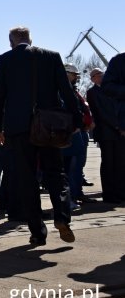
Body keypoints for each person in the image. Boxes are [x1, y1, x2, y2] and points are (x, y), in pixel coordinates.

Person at [0, 26, 83, 245]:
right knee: (56, 174)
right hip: (49, 126)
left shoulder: (6, 60)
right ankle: (61, 216)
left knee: (27, 179)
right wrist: (76, 121)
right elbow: (66, 91)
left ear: (11, 41)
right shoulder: (51, 57)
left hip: (19, 128)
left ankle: (37, 232)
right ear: (30, 39)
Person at [92, 64, 125, 204]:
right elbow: (101, 113)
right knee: (108, 164)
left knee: (120, 163)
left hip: (119, 133)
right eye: (98, 74)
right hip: (106, 133)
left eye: (102, 73)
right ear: (93, 79)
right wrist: (118, 125)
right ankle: (109, 194)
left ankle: (120, 192)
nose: (102, 76)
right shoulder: (92, 93)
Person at [62, 64, 94, 209]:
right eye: (74, 75)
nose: (76, 77)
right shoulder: (62, 91)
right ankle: (70, 198)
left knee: (77, 168)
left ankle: (76, 194)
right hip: (71, 134)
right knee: (69, 169)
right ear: (67, 74)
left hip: (79, 133)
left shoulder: (73, 91)